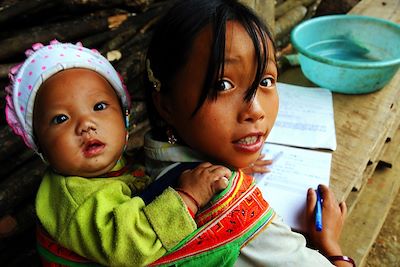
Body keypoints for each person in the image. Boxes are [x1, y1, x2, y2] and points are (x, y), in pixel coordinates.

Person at [144, 0, 354, 266]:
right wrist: (332, 245)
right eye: (223, 84)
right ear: (167, 104)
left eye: (265, 81)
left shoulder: (147, 157)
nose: (255, 110)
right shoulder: (232, 207)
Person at [4, 40, 231, 266]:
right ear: (40, 147)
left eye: (99, 107)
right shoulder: (76, 198)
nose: (86, 124)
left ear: (125, 119)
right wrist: (189, 197)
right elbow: (129, 247)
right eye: (61, 118)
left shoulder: (118, 163)